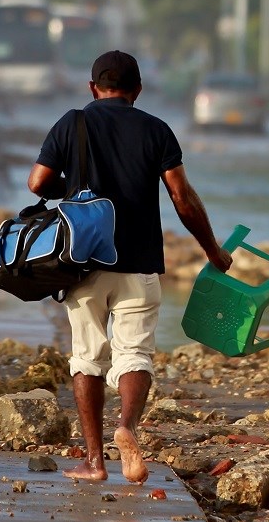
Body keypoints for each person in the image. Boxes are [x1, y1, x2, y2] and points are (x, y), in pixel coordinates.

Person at [27, 50, 233, 485]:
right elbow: (182, 198)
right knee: (135, 353)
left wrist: (79, 186)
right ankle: (128, 428)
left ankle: (95, 462)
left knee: (87, 358)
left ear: (92, 87)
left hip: (83, 261)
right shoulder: (156, 130)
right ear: (138, 90)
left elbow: (37, 183)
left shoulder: (72, 122)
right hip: (139, 263)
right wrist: (213, 251)